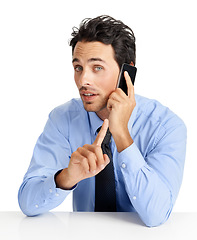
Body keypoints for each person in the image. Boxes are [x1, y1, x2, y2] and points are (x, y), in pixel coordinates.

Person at [18, 15, 187, 227]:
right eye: (78, 67)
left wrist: (122, 135)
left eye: (97, 67)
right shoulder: (62, 119)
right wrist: (66, 178)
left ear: (127, 73)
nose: (83, 80)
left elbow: (157, 215)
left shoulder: (166, 127)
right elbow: (27, 203)